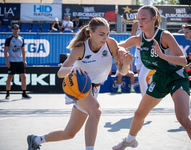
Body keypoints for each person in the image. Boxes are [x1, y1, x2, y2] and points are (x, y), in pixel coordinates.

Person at [27, 17, 133, 150]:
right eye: (101, 34)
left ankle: (35, 140)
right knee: (96, 111)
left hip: (94, 89)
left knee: (69, 133)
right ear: (90, 33)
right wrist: (72, 69)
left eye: (107, 34)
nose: (105, 37)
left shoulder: (111, 44)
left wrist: (127, 64)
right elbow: (60, 73)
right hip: (78, 87)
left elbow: (122, 72)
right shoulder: (80, 48)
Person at [112, 5, 191, 150]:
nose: (140, 22)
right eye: (138, 19)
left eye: (144, 18)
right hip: (159, 78)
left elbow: (183, 61)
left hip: (176, 76)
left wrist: (162, 55)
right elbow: (116, 46)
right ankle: (129, 140)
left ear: (153, 19)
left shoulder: (164, 36)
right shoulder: (138, 39)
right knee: (139, 113)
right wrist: (121, 49)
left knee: (184, 119)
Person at [4, 24, 31, 99]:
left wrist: (24, 60)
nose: (16, 30)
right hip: (12, 61)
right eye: (14, 29)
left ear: (19, 30)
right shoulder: (9, 39)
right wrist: (7, 61)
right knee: (10, 77)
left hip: (19, 61)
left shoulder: (21, 39)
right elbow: (5, 51)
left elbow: (23, 50)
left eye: (17, 29)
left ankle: (24, 93)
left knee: (23, 76)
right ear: (12, 30)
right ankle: (8, 93)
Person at [130, 20, 150, 96]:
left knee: (145, 78)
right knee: (141, 78)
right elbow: (132, 37)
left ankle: (148, 99)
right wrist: (128, 49)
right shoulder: (136, 24)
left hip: (149, 53)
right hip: (138, 52)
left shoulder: (151, 24)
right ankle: (144, 99)